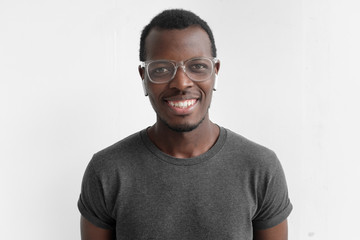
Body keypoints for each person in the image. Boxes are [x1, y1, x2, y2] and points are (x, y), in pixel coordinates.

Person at [78, 9, 292, 240]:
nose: (181, 83)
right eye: (161, 69)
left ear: (215, 72)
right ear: (144, 77)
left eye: (198, 66)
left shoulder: (260, 168)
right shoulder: (108, 170)